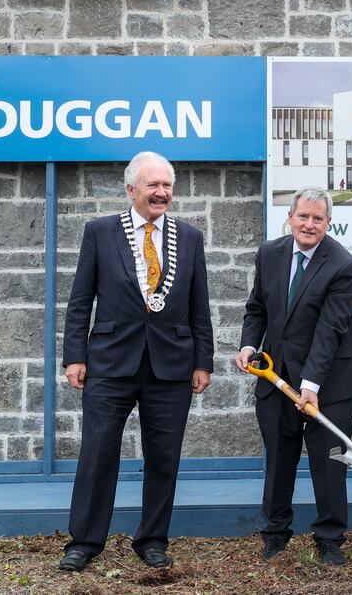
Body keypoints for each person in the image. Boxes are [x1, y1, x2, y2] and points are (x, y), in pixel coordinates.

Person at [59, 151, 213, 572]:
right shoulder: (100, 232)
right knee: (97, 453)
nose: (161, 192)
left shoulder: (190, 237)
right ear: (131, 189)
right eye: (153, 185)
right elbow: (79, 301)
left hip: (172, 367)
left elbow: (200, 306)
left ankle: (152, 540)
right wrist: (75, 355)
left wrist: (204, 361)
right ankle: (85, 542)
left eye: (167, 185)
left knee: (164, 458)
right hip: (109, 363)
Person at [235, 187, 352, 567]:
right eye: (303, 216)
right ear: (290, 217)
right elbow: (257, 307)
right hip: (276, 378)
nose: (309, 224)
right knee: (279, 459)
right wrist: (248, 345)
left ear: (328, 222)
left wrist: (310, 386)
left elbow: (329, 331)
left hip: (331, 382)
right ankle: (275, 533)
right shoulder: (270, 253)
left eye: (318, 219)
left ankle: (329, 538)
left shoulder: (344, 266)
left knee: (328, 462)